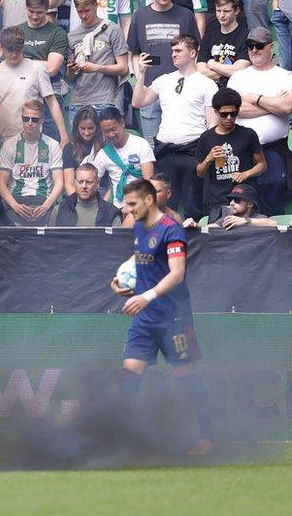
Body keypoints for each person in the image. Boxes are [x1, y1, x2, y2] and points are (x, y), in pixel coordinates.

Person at [109, 178, 214, 458]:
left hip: (174, 318)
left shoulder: (171, 229)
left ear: (148, 200)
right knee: (129, 376)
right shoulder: (140, 228)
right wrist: (124, 285)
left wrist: (146, 296)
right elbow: (142, 262)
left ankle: (207, 435)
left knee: (186, 378)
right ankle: (123, 440)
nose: (127, 209)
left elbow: (177, 273)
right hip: (145, 318)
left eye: (132, 204)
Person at [132, 34, 218, 220]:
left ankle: (194, 247)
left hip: (193, 151)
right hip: (166, 151)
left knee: (193, 206)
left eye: (178, 50)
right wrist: (141, 73)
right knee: (161, 205)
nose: (173, 54)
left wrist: (206, 154)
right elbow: (138, 102)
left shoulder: (207, 84)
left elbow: (212, 123)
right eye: (172, 50)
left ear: (193, 53)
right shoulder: (164, 80)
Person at [127, 0, 199, 148]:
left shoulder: (186, 15)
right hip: (150, 87)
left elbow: (195, 50)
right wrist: (139, 76)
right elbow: (134, 51)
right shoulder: (140, 15)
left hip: (179, 90)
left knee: (179, 144)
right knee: (152, 148)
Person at [225, 26, 292, 214]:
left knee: (275, 189)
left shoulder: (286, 76)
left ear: (271, 47)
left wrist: (254, 98)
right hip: (242, 149)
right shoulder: (238, 77)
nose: (254, 50)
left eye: (259, 46)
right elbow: (236, 110)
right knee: (241, 198)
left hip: (274, 148)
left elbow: (287, 107)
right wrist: (272, 104)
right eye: (250, 46)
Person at [195, 87, 267, 223]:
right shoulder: (207, 137)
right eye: (224, 114)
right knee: (217, 241)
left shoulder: (248, 134)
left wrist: (246, 174)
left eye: (233, 113)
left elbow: (262, 165)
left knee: (251, 239)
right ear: (216, 112)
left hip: (245, 200)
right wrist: (209, 158)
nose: (229, 118)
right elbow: (200, 172)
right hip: (218, 201)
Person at [0, 26, 67, 142]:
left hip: (30, 138)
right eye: (10, 50)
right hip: (1, 137)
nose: (14, 54)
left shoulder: (37, 69)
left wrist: (64, 137)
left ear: (23, 47)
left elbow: (52, 103)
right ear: (2, 47)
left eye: (17, 50)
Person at [0, 98, 64, 226]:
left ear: (42, 120)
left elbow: (60, 182)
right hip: (17, 200)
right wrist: (16, 206)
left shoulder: (52, 145)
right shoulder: (9, 145)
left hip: (43, 199)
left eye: (35, 119)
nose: (30, 123)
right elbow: (0, 183)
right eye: (26, 119)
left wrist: (45, 206)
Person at [65, 0, 129, 122]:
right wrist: (71, 70)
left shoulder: (112, 29)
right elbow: (69, 80)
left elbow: (123, 68)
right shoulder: (72, 36)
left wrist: (96, 68)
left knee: (106, 143)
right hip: (78, 101)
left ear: (96, 5)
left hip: (105, 100)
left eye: (87, 10)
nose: (83, 15)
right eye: (80, 11)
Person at [20, 0, 68, 138]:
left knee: (51, 142)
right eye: (31, 11)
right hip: (23, 91)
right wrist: (41, 63)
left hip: (50, 92)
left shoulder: (57, 33)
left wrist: (23, 62)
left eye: (39, 12)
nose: (34, 16)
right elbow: (8, 63)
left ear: (47, 9)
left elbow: (52, 68)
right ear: (26, 8)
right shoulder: (17, 32)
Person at [91, 106, 155, 209]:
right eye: (106, 131)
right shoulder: (103, 154)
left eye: (113, 129)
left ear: (122, 123)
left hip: (141, 204)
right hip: (116, 207)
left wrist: (132, 205)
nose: (110, 134)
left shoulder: (141, 144)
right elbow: (91, 181)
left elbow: (149, 182)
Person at [195, 0, 249, 88]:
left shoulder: (246, 36)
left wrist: (212, 64)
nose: (221, 15)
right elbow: (200, 70)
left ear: (236, 11)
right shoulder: (208, 36)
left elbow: (239, 71)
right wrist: (227, 71)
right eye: (218, 11)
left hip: (236, 90)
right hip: (210, 90)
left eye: (226, 11)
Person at [50, 162, 121, 226]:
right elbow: (49, 239)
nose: (84, 186)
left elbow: (116, 240)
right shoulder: (59, 210)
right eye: (80, 182)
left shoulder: (111, 213)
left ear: (97, 184)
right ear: (75, 182)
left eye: (88, 182)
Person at [192, 183, 277, 229]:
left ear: (250, 204)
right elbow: (210, 227)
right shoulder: (228, 218)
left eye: (237, 200)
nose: (231, 203)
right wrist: (195, 225)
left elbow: (273, 223)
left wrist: (245, 221)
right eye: (230, 200)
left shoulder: (257, 218)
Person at [62, 105, 104, 195]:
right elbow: (69, 184)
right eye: (82, 128)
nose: (87, 132)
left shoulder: (105, 147)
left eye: (90, 128)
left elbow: (110, 184)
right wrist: (80, 205)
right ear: (77, 127)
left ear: (97, 127)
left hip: (101, 193)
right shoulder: (69, 148)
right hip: (77, 195)